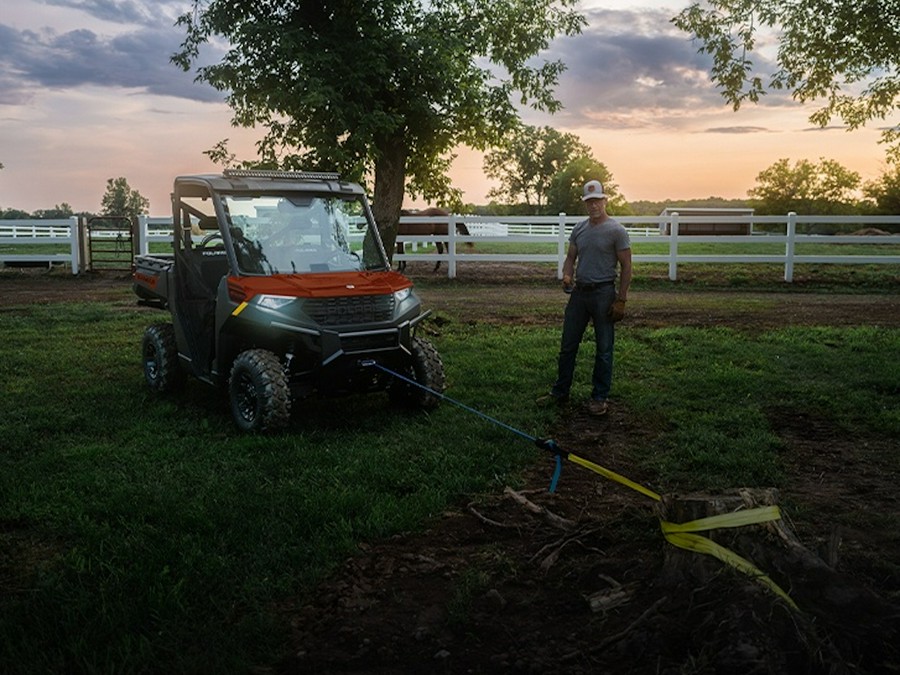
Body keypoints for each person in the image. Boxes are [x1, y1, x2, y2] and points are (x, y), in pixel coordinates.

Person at [544, 180, 632, 416]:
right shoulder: (579, 229)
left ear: (605, 201)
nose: (593, 205)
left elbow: (626, 266)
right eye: (589, 201)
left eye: (597, 200)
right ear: (585, 203)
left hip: (604, 293)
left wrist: (621, 299)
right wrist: (566, 274)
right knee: (567, 345)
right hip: (579, 295)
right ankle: (560, 392)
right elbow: (571, 258)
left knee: (604, 348)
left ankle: (599, 397)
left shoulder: (617, 231)